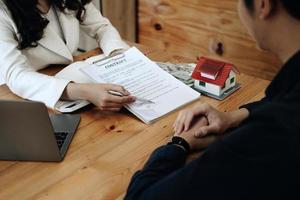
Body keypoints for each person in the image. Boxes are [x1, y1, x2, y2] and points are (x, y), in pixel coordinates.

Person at [125, 0, 300, 199]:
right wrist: (235, 116)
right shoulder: (289, 93)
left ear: (263, 5)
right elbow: (279, 100)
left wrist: (178, 144)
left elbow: (140, 196)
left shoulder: (268, 136)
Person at [0, 0, 136, 111]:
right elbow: (16, 75)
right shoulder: (3, 11)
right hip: (24, 93)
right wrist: (84, 92)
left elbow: (101, 27)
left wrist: (118, 54)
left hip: (66, 74)